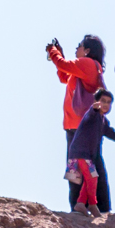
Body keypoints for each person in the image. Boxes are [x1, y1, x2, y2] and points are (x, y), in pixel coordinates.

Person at [46, 34, 109, 211]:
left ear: (87, 50)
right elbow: (64, 76)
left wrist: (52, 51)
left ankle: (94, 206)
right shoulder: (86, 68)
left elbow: (62, 65)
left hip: (82, 126)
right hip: (77, 126)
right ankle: (83, 206)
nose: (76, 49)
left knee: (88, 166)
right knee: (80, 167)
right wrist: (60, 56)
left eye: (79, 46)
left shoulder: (88, 64)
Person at [65, 89, 115, 215]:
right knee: (80, 180)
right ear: (95, 101)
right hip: (79, 154)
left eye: (109, 102)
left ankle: (83, 205)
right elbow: (93, 110)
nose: (105, 104)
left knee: (91, 179)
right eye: (102, 101)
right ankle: (86, 207)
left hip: (88, 156)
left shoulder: (103, 121)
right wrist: (95, 107)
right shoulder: (92, 114)